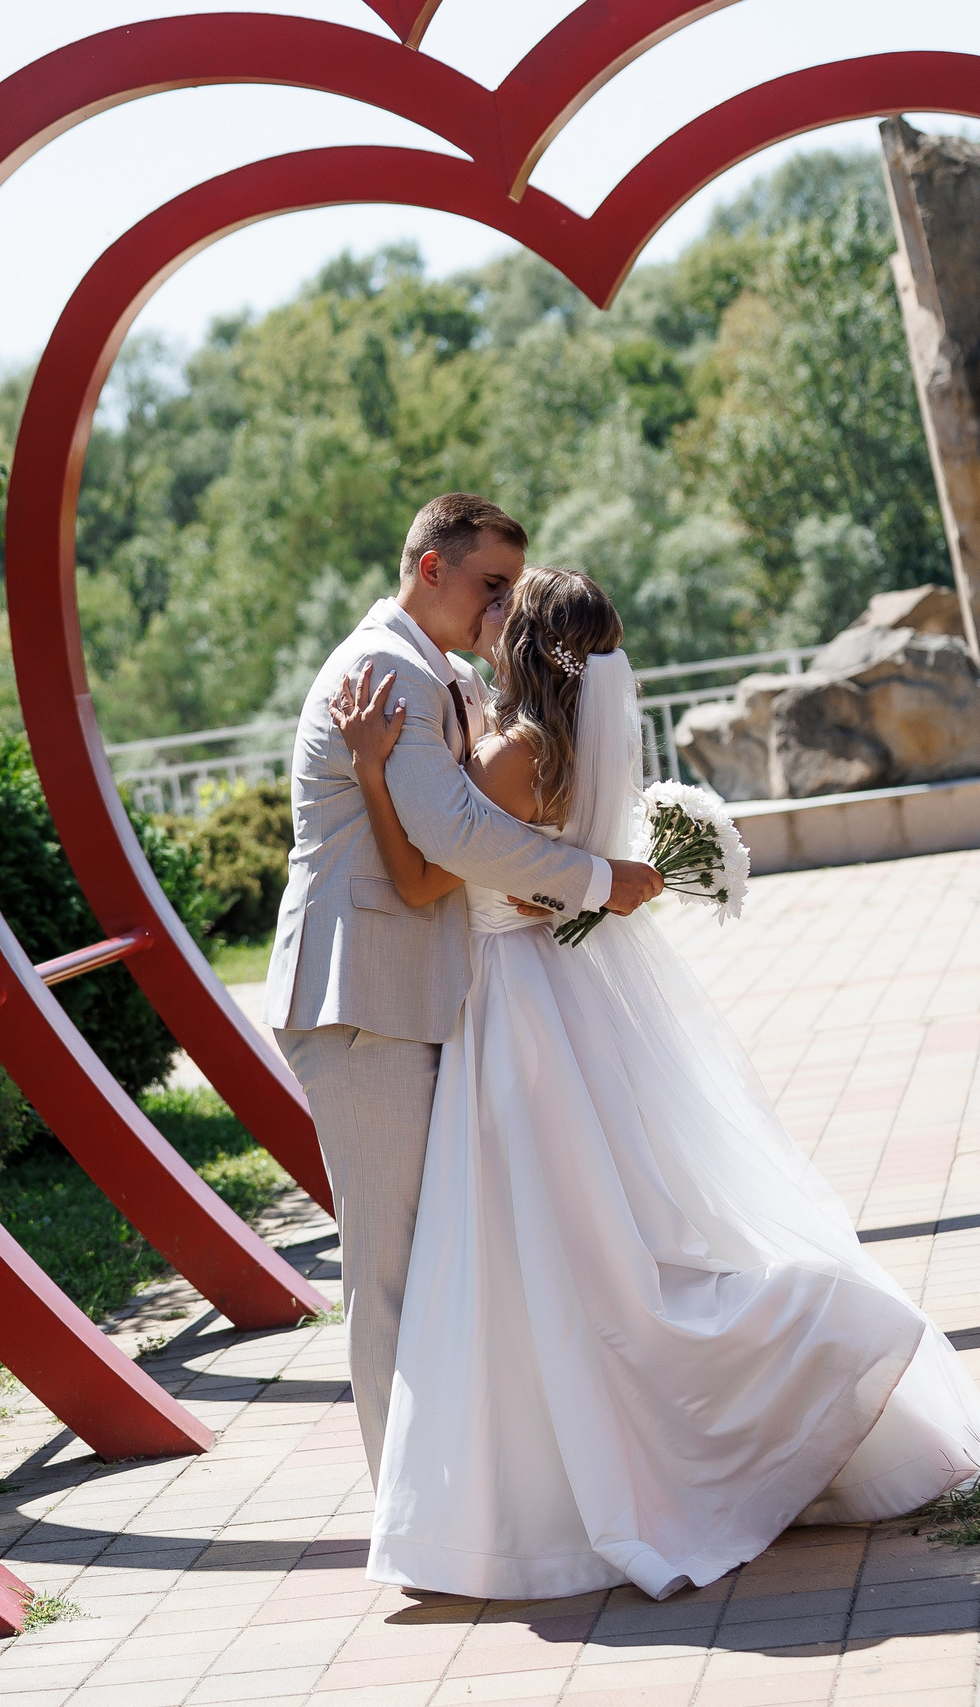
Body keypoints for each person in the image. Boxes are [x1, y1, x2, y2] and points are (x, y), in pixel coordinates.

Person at [333, 563, 980, 1600]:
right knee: (599, 1233)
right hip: (559, 993)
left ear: (526, 649)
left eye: (503, 608)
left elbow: (424, 879)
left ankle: (787, 1359)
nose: (489, 612)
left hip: (515, 1008)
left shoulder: (514, 760)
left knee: (557, 1248)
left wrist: (375, 770)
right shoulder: (560, 752)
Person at [262, 493, 667, 1499]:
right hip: (362, 1001)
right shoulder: (383, 671)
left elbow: (454, 851)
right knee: (389, 1272)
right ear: (429, 569)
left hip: (427, 994)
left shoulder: (442, 678)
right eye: (490, 585)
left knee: (444, 1260)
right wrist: (595, 882)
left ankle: (476, 1492)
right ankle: (410, 1514)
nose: (503, 609)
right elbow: (450, 837)